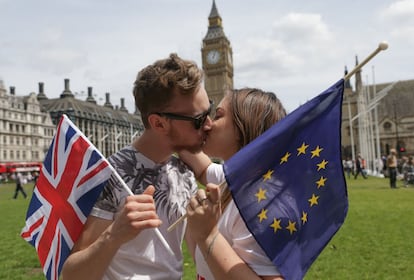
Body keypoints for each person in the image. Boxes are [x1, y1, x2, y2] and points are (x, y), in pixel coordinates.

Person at [62, 53, 211, 279]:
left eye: (209, 113)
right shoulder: (109, 174)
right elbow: (72, 275)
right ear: (158, 123)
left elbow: (196, 253)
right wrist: (114, 235)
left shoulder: (184, 171)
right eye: (198, 120)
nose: (208, 125)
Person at [180, 88, 286, 280]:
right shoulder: (234, 179)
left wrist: (207, 235)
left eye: (218, 116)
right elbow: (203, 169)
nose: (208, 123)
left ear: (241, 129)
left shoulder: (262, 202)